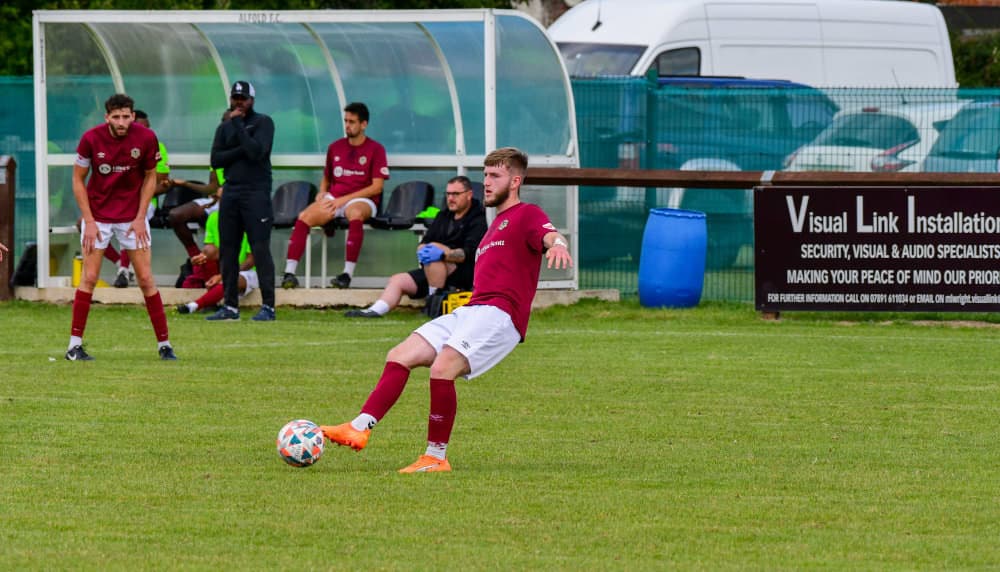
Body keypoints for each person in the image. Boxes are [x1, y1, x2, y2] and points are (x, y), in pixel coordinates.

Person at [321, 147, 573, 473]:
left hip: (500, 314)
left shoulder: (528, 213)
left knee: (442, 368)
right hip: (471, 310)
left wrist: (559, 245)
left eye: (495, 176)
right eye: (485, 175)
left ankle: (436, 457)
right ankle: (358, 427)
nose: (486, 182)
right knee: (400, 355)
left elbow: (550, 235)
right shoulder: (494, 225)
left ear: (515, 181)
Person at [65, 93, 177, 361]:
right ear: (107, 117)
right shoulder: (91, 139)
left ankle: (165, 345)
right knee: (89, 278)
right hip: (98, 216)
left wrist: (140, 217)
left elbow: (151, 177)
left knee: (146, 279)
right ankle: (73, 346)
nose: (121, 122)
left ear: (133, 116)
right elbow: (78, 179)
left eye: (126, 116)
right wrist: (89, 221)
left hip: (131, 218)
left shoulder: (146, 138)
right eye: (116, 117)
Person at [281, 102, 389, 290]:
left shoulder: (376, 149)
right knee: (305, 216)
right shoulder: (335, 147)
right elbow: (327, 178)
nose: (347, 125)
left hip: (362, 199)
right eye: (346, 121)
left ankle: (346, 274)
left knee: (355, 213)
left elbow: (377, 187)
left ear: (364, 124)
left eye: (352, 122)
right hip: (335, 198)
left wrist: (343, 200)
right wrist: (322, 192)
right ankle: (289, 273)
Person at [344, 175, 486, 318]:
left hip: (463, 274)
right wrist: (423, 250)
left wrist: (442, 253)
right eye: (448, 194)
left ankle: (432, 305)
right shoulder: (444, 215)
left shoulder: (478, 218)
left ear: (469, 195)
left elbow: (469, 253)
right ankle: (374, 311)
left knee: (435, 255)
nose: (450, 198)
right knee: (398, 280)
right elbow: (424, 241)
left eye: (455, 194)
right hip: (433, 272)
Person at [208, 80, 277, 322]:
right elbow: (216, 159)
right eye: (235, 98)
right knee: (228, 249)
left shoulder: (263, 122)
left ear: (252, 100)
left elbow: (257, 152)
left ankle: (268, 306)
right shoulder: (223, 128)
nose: (239, 102)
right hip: (231, 190)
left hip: (256, 191)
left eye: (243, 98)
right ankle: (230, 305)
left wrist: (238, 126)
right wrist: (241, 150)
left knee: (260, 248)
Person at [167, 109, 231, 288]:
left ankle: (215, 271)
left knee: (219, 222)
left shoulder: (247, 149)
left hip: (237, 203)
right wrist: (185, 183)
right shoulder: (219, 152)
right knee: (175, 215)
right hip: (217, 201)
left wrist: (224, 194)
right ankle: (196, 258)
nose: (226, 125)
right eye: (224, 121)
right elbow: (212, 187)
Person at [176, 207, 257, 317]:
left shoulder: (251, 220)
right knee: (208, 254)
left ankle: (194, 305)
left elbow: (251, 261)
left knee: (233, 278)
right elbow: (210, 249)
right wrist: (200, 257)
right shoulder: (214, 217)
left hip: (246, 270)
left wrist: (223, 275)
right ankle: (211, 302)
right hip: (224, 267)